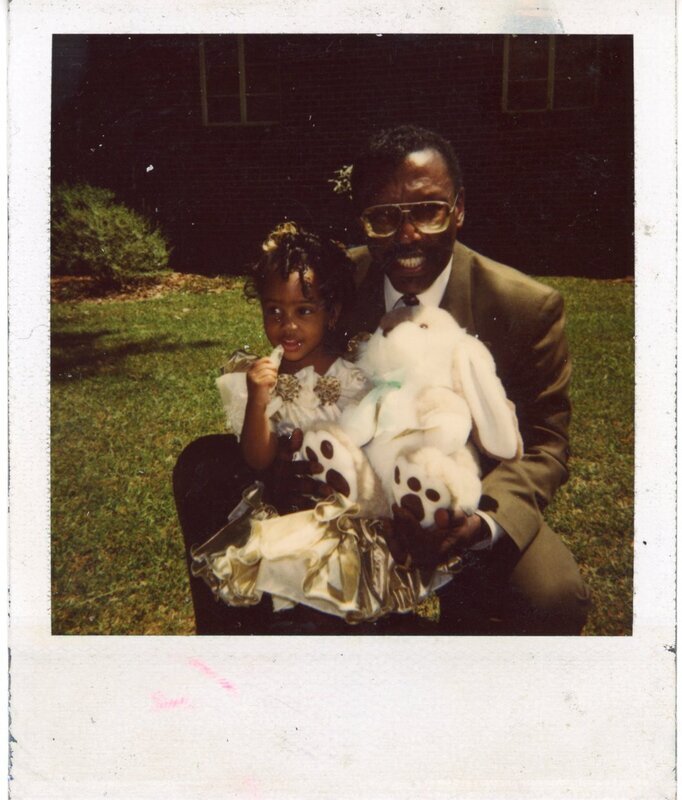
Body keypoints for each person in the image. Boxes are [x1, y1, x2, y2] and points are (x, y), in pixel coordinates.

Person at [326, 124, 590, 634]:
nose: (406, 236)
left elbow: (545, 445)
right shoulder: (335, 285)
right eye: (383, 217)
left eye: (428, 211)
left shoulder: (525, 306)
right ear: (362, 221)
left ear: (459, 208)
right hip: (358, 491)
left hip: (472, 493)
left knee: (552, 597)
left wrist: (479, 524)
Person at [174, 222, 433, 634]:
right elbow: (256, 457)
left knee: (345, 600)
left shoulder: (355, 374)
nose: (287, 325)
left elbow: (376, 445)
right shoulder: (264, 377)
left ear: (331, 313)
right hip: (291, 513)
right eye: (273, 311)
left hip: (349, 514)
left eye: (303, 311)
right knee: (291, 601)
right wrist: (259, 399)